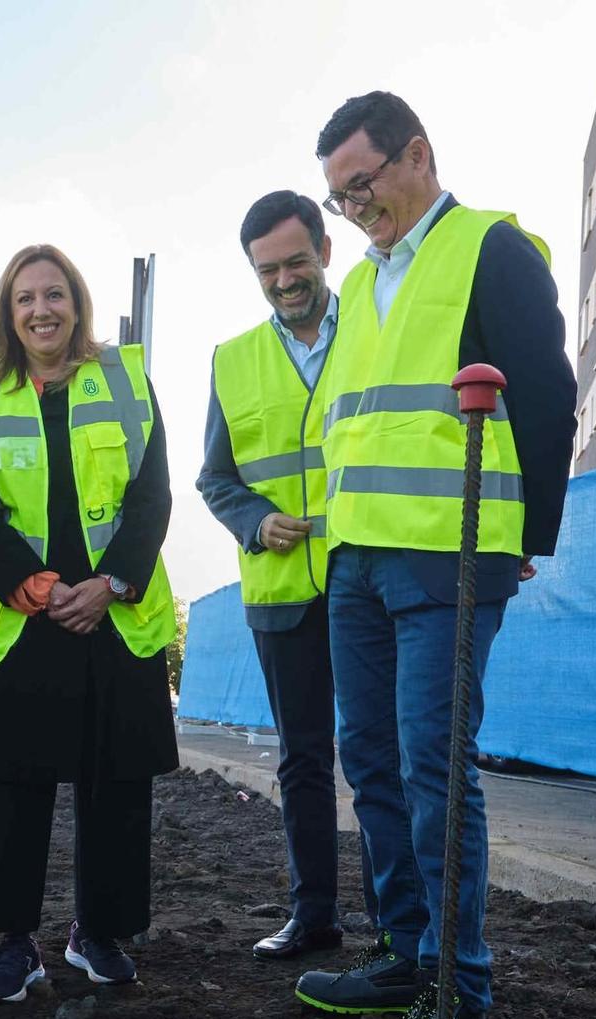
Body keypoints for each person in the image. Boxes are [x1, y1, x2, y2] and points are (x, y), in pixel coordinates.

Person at [296, 92, 574, 1019]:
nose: (353, 210)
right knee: (367, 756)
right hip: (359, 560)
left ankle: (458, 991)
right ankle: (405, 952)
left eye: (360, 186)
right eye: (337, 199)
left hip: (446, 557)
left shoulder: (488, 251)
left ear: (416, 153)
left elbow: (543, 392)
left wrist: (527, 534)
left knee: (431, 765)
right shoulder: (365, 284)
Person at [0, 245, 177, 1004]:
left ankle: (96, 934)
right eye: (24, 300)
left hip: (112, 610)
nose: (40, 310)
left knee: (115, 784)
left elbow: (153, 494)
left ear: (76, 302)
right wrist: (39, 588)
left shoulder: (126, 379)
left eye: (54, 295)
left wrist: (109, 584)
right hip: (24, 617)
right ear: (7, 315)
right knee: (7, 785)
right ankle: (15, 944)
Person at [197, 190, 361, 962]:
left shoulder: (373, 325)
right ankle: (315, 915)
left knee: (380, 752)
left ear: (326, 251)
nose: (285, 280)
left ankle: (405, 925)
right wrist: (255, 521)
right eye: (269, 269)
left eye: (296, 262)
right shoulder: (232, 361)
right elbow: (216, 479)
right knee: (303, 759)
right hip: (281, 593)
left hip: (370, 575)